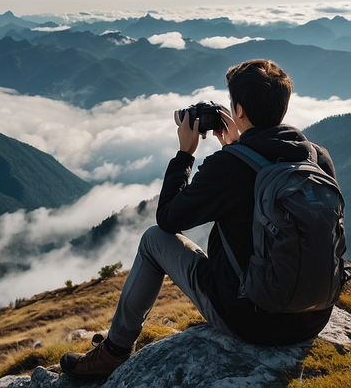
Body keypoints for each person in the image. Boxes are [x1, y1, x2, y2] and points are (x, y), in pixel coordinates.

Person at [60, 59, 341, 381]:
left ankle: (114, 352)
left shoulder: (228, 165)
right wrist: (240, 149)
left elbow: (168, 219)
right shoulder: (316, 156)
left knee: (154, 239)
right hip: (314, 315)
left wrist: (185, 153)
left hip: (251, 320)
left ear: (237, 110)